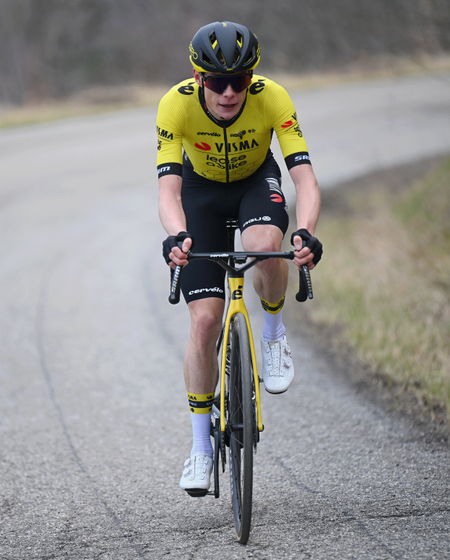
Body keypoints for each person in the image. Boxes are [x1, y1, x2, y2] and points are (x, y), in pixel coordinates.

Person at [156, 21, 323, 495]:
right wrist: (177, 236)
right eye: (216, 81)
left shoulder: (274, 98)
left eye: (240, 81)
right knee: (204, 323)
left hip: (255, 184)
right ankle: (200, 449)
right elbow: (168, 191)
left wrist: (307, 231)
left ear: (253, 77)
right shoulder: (175, 104)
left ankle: (272, 332)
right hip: (201, 193)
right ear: (198, 77)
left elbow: (305, 180)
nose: (229, 92)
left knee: (266, 245)